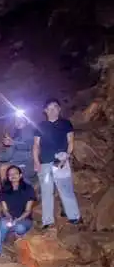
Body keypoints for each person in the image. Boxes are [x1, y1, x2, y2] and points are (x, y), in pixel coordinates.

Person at [33, 98, 81, 229]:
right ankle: (47, 220)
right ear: (45, 111)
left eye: (55, 107)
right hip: (45, 163)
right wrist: (36, 161)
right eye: (49, 108)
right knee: (46, 191)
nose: (52, 110)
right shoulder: (40, 126)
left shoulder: (66, 123)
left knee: (66, 190)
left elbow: (71, 141)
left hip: (61, 161)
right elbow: (36, 145)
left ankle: (74, 216)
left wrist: (65, 158)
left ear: (59, 109)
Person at [0, 165, 37, 256]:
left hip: (25, 219)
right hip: (9, 218)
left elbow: (28, 210)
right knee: (3, 223)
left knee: (19, 228)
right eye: (10, 174)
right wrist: (9, 217)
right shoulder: (4, 190)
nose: (13, 176)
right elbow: (5, 209)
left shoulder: (28, 189)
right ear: (8, 177)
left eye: (15, 173)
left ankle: (19, 243)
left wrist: (18, 219)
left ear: (20, 175)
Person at [0, 114, 36, 182]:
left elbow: (28, 145)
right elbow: (8, 156)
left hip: (28, 164)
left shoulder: (28, 129)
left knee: (4, 168)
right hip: (18, 163)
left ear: (26, 121)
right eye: (16, 121)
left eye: (20, 119)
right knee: (3, 168)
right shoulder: (16, 137)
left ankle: (5, 191)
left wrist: (12, 142)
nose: (18, 122)